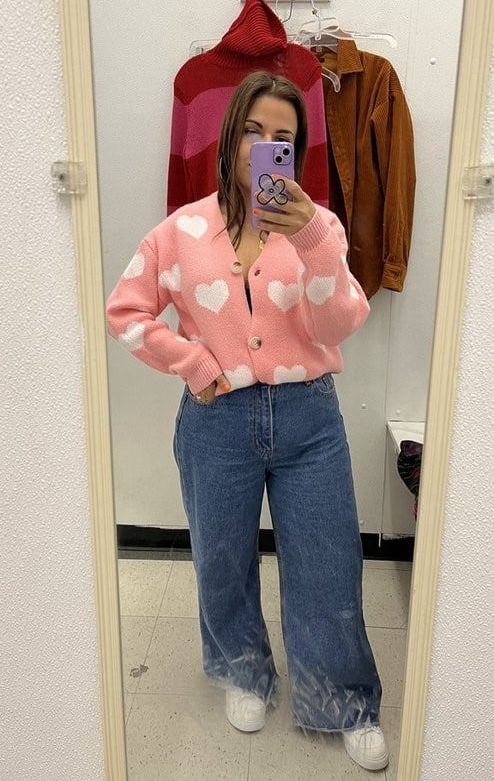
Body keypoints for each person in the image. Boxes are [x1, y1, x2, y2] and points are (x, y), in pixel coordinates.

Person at [106, 71, 389, 772]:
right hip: (217, 420)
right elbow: (126, 312)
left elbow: (339, 323)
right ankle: (243, 671)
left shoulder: (318, 227)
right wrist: (194, 362)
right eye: (255, 132)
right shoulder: (181, 231)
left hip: (309, 419)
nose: (267, 146)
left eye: (283, 137)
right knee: (223, 559)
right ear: (231, 137)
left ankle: (343, 700)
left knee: (327, 562)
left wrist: (315, 241)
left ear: (296, 150)